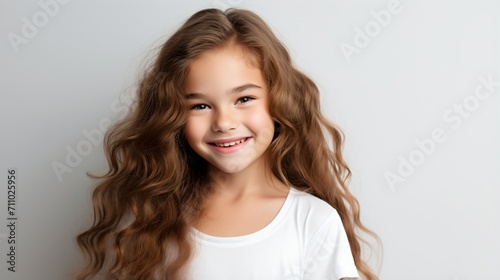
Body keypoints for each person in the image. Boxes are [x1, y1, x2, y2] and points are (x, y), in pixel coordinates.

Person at [76, 8, 379, 280]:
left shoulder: (313, 222)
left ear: (279, 103)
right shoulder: (154, 218)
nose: (223, 122)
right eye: (200, 106)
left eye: (244, 99)